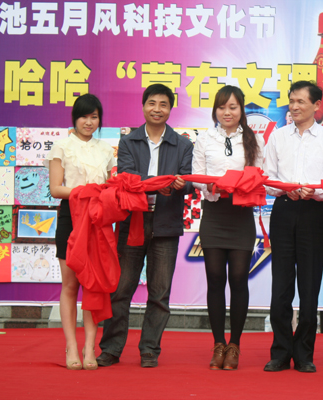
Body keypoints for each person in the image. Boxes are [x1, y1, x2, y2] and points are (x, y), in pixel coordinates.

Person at [96, 84, 194, 368]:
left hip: (166, 224)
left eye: (163, 104)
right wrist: (160, 182)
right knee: (120, 290)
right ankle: (111, 349)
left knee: (160, 294)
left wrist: (179, 184)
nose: (157, 109)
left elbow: (189, 182)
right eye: (152, 103)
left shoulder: (183, 144)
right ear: (143, 106)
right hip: (132, 222)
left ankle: (150, 349)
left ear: (170, 109)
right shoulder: (129, 141)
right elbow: (128, 177)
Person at [263, 80, 323, 373]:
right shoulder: (278, 137)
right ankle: (280, 352)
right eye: (291, 101)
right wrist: (287, 189)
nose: (294, 106)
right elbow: (268, 179)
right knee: (281, 286)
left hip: (314, 213)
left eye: (300, 101)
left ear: (316, 105)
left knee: (310, 286)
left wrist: (314, 191)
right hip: (284, 210)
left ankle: (304, 354)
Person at [192, 86, 264, 370]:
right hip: (214, 213)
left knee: (238, 278)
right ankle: (218, 344)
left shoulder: (253, 139)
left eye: (233, 107)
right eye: (222, 107)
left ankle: (234, 345)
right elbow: (197, 176)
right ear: (215, 110)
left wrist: (241, 186)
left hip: (241, 215)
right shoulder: (204, 139)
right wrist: (213, 187)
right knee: (214, 278)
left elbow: (259, 176)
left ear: (242, 109)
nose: (227, 112)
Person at [45, 93, 116, 370]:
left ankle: (89, 347)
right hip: (71, 218)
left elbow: (110, 186)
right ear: (75, 118)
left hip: (98, 221)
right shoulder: (61, 146)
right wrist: (87, 191)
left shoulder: (106, 149)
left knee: (93, 286)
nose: (89, 122)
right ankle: (71, 346)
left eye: (94, 117)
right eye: (84, 116)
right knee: (71, 284)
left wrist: (107, 193)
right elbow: (55, 189)